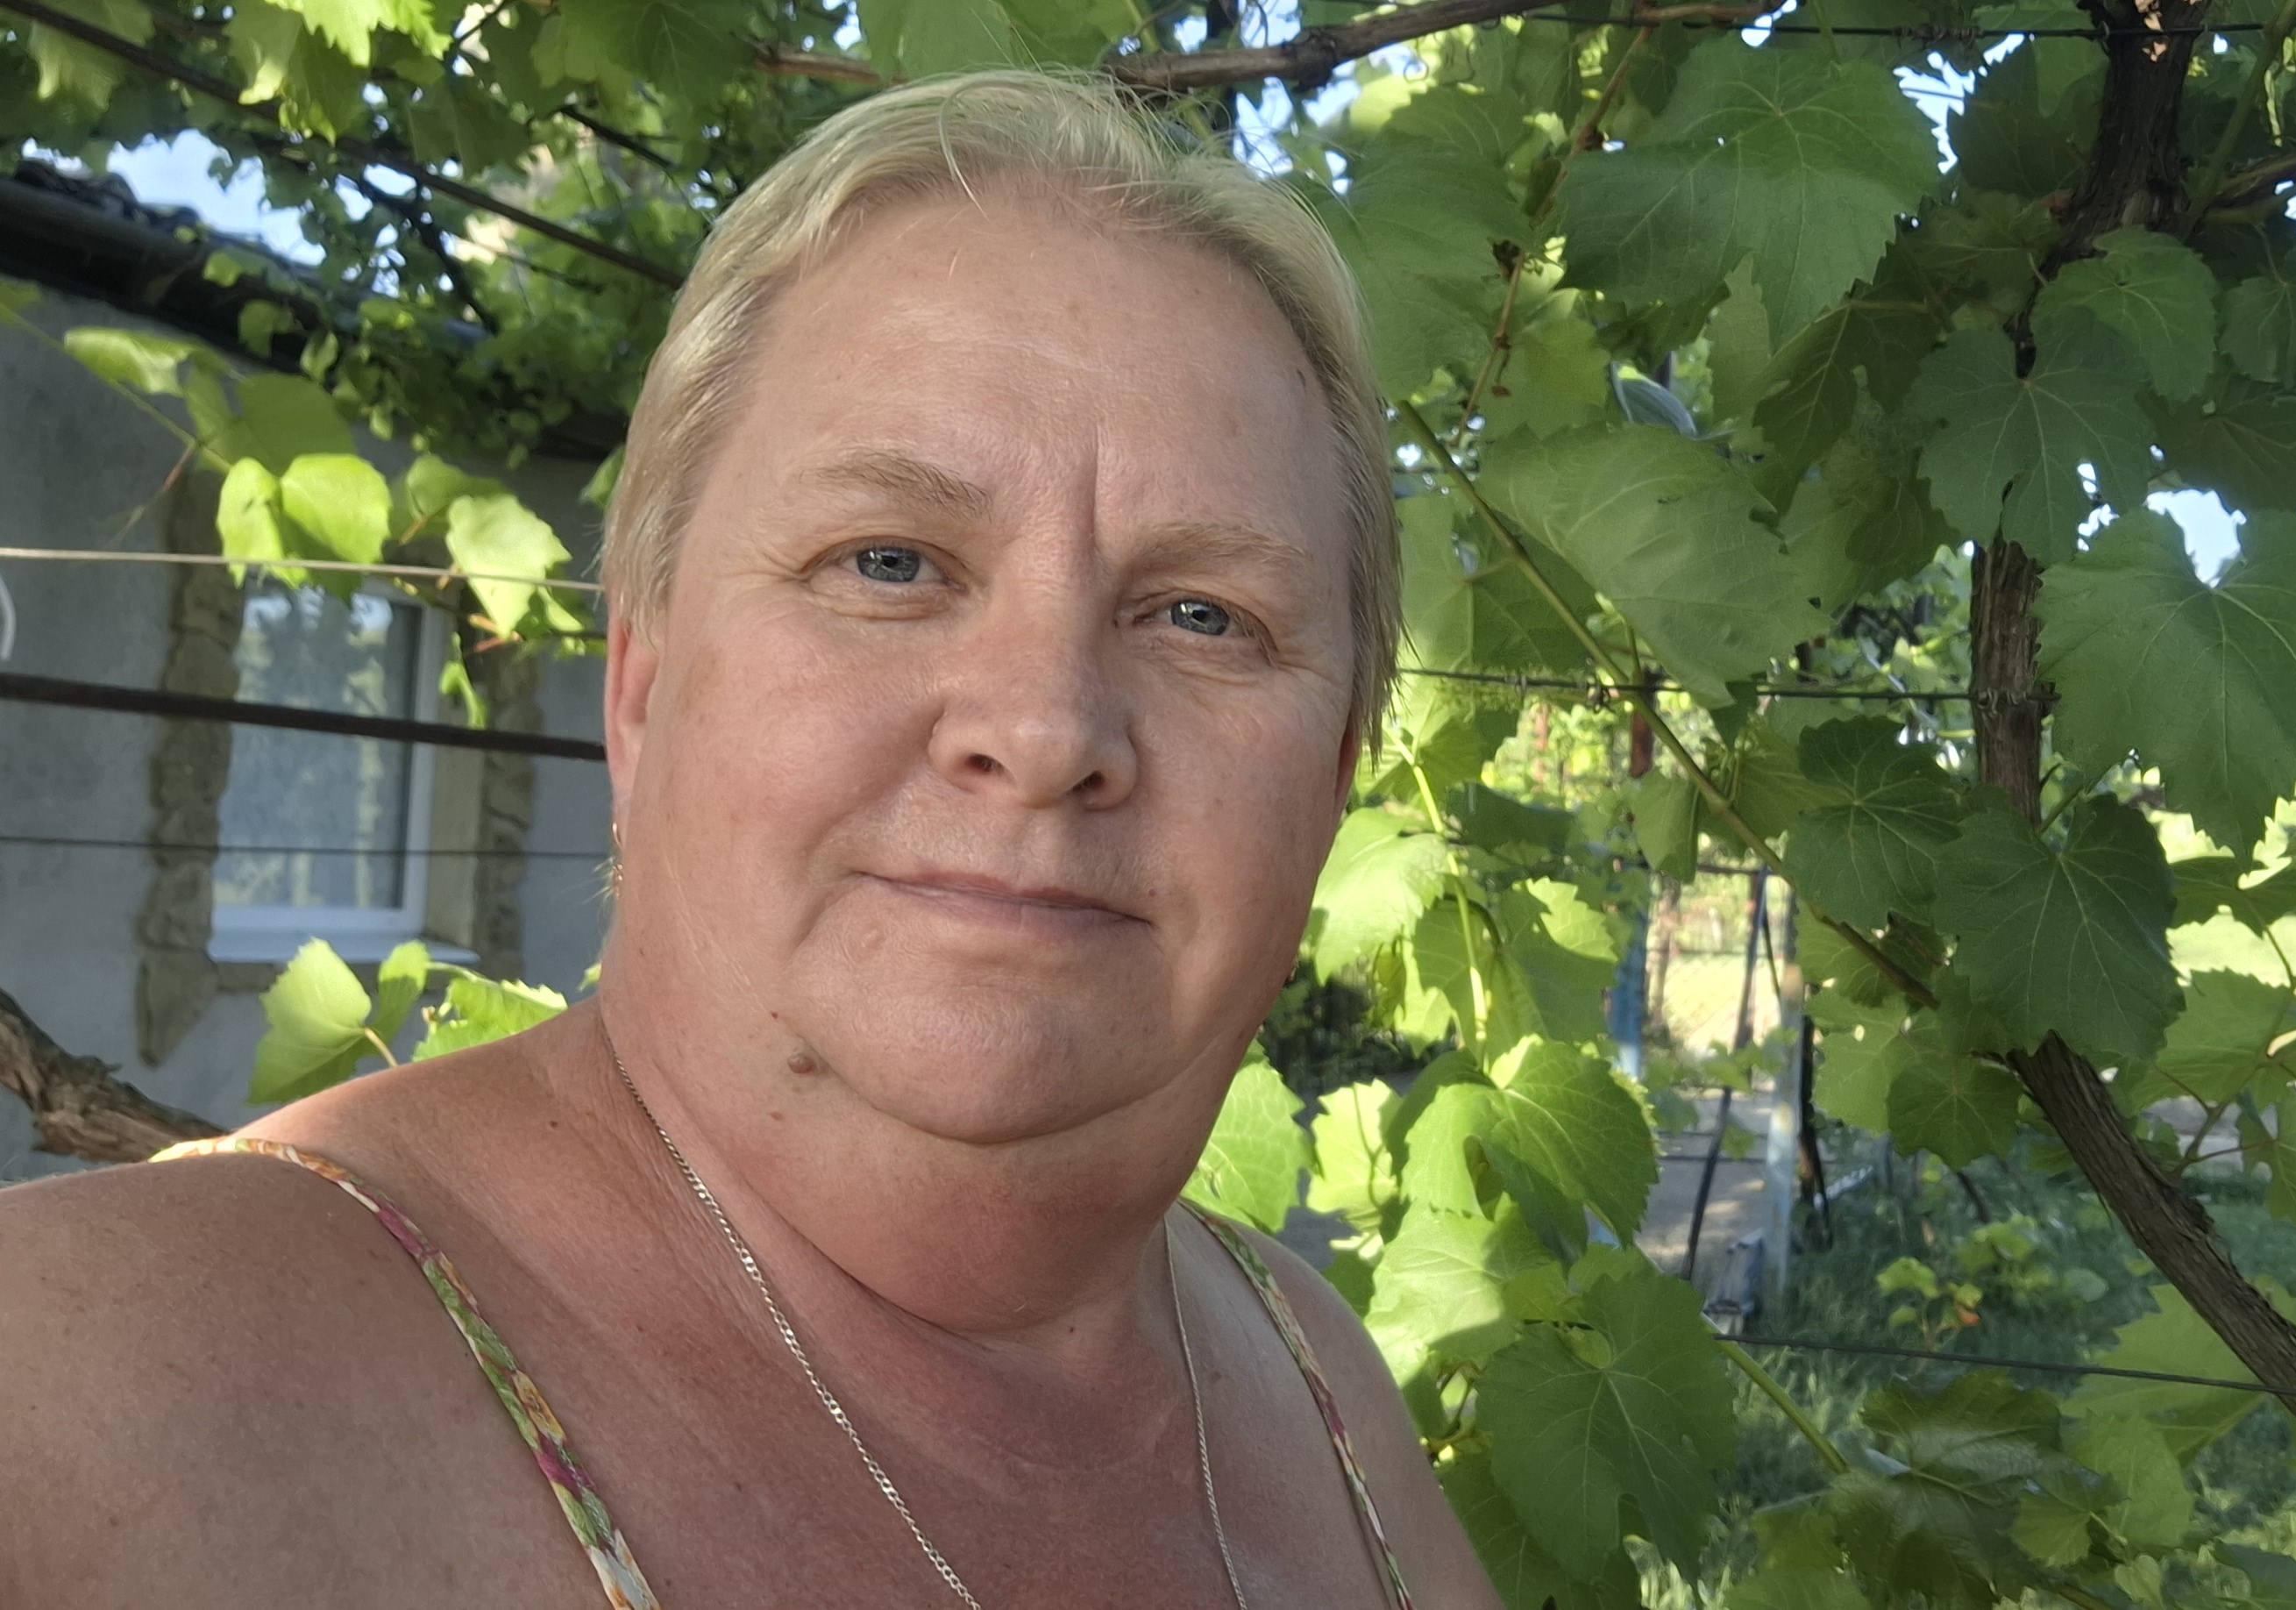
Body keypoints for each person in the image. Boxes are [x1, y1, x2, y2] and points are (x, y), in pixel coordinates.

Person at [0, 71, 1502, 1610]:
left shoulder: (1318, 1385)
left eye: (1203, 617)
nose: (1048, 728)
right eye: (890, 562)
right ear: (642, 689)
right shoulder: (73, 1395)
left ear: (1333, 775)